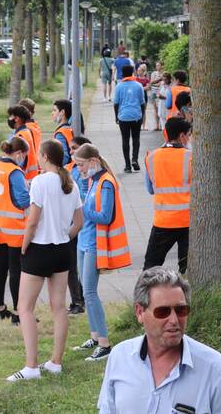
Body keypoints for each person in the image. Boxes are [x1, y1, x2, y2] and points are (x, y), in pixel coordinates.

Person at [97, 268, 221, 413]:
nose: (173, 320)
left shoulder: (214, 369)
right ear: (140, 312)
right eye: (163, 312)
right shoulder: (119, 357)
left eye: (181, 310)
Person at [6, 139, 84, 382]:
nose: (37, 158)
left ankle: (31, 367)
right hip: (62, 251)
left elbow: (33, 220)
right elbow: (79, 223)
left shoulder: (40, 181)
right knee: (59, 307)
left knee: (24, 308)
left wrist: (24, 245)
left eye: (39, 155)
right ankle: (55, 362)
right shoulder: (70, 183)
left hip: (39, 249)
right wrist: (63, 236)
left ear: (46, 157)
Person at [72, 143, 132, 363]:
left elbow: (104, 216)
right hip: (84, 241)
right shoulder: (93, 179)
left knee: (89, 292)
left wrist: (82, 207)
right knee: (85, 289)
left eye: (81, 164)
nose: (79, 169)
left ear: (93, 161)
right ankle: (95, 337)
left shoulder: (105, 182)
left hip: (94, 244)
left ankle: (105, 343)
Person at [0, 137, 31, 324]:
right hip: (15, 228)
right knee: (16, 270)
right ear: (19, 153)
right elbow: (23, 200)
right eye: (25, 157)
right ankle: (18, 312)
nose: (24, 160)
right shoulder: (14, 172)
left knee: (0, 267)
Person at [142, 118, 193, 274]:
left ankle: (146, 296)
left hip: (163, 221)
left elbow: (150, 189)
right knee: (187, 268)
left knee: (151, 266)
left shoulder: (151, 157)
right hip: (188, 220)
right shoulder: (192, 157)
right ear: (182, 136)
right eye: (189, 135)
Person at [65, 135, 92, 315]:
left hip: (82, 222)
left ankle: (81, 300)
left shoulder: (88, 172)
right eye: (70, 148)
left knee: (78, 265)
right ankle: (77, 300)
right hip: (70, 219)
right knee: (70, 264)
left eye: (75, 148)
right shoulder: (70, 168)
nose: (71, 151)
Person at [113, 64, 146, 172]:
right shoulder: (138, 85)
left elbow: (116, 103)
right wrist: (142, 114)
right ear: (133, 73)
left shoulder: (119, 86)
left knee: (125, 139)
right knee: (136, 138)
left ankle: (127, 166)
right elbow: (142, 103)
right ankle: (135, 159)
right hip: (136, 115)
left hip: (123, 116)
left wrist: (116, 116)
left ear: (122, 74)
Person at [7, 104, 40, 179]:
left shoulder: (20, 136)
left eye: (11, 116)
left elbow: (17, 161)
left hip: (23, 178)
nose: (9, 119)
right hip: (29, 177)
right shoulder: (26, 132)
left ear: (17, 119)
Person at [52, 99, 75, 166]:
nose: (52, 113)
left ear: (62, 112)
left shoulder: (60, 133)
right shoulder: (69, 128)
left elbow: (64, 157)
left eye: (54, 110)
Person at [148, 62, 165, 131]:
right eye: (156, 65)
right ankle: (157, 125)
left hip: (162, 92)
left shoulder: (164, 74)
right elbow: (152, 82)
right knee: (156, 109)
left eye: (158, 65)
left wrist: (158, 83)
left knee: (162, 109)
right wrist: (159, 80)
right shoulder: (154, 73)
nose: (157, 67)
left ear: (162, 66)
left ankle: (162, 125)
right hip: (155, 92)